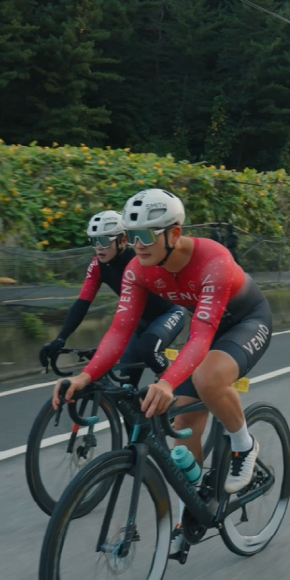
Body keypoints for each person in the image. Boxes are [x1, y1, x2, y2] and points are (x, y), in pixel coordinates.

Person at [54, 189, 274, 518]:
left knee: (207, 377)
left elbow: (200, 338)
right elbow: (120, 331)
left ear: (174, 233)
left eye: (146, 235)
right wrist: (86, 376)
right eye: (131, 236)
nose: (137, 244)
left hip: (246, 321)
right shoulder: (138, 270)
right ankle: (193, 512)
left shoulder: (213, 260)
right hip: (208, 330)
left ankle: (244, 446)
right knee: (184, 422)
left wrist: (167, 382)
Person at [39, 211, 187, 386]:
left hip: (168, 314)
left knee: (148, 349)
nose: (98, 247)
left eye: (103, 241)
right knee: (126, 387)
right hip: (139, 322)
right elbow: (83, 303)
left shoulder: (141, 260)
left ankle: (171, 387)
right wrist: (60, 339)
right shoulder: (97, 267)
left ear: (123, 241)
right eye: (94, 241)